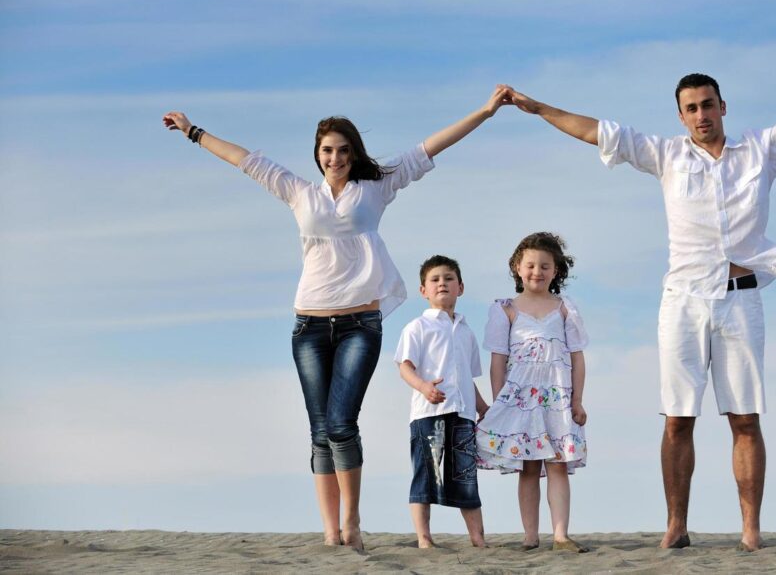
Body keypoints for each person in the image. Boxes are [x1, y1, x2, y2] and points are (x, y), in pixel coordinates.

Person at [505, 61, 776, 551]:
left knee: (745, 418)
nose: (701, 114)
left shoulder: (761, 150)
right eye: (691, 109)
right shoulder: (666, 155)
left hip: (740, 301)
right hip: (683, 301)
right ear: (681, 117)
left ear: (722, 108)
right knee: (677, 418)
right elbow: (597, 131)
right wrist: (537, 108)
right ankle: (676, 526)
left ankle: (750, 529)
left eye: (708, 105)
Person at [161, 85, 512, 550]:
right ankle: (329, 531)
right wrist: (192, 131)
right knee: (320, 431)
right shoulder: (298, 192)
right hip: (308, 324)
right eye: (327, 150)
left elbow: (431, 145)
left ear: (354, 153)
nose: (335, 157)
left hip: (360, 325)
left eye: (344, 150)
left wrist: (485, 113)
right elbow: (243, 159)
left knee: (342, 423)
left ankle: (352, 522)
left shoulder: (377, 187)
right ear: (318, 154)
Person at [476, 232, 590, 553]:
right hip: (520, 401)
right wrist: (500, 404)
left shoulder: (565, 308)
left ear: (556, 271)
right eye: (530, 265)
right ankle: (530, 536)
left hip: (558, 400)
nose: (537, 271)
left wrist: (578, 400)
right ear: (517, 267)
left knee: (556, 463)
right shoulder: (506, 309)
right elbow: (498, 362)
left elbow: (577, 357)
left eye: (545, 266)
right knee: (527, 467)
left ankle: (560, 535)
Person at [395, 255, 490, 549]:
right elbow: (404, 366)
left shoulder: (466, 331)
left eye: (449, 278)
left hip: (463, 414)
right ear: (423, 290)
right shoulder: (417, 327)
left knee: (466, 477)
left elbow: (466, 378)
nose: (442, 284)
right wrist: (424, 387)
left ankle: (478, 539)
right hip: (429, 413)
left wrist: (482, 407)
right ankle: (424, 539)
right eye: (434, 280)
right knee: (426, 474)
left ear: (460, 287)